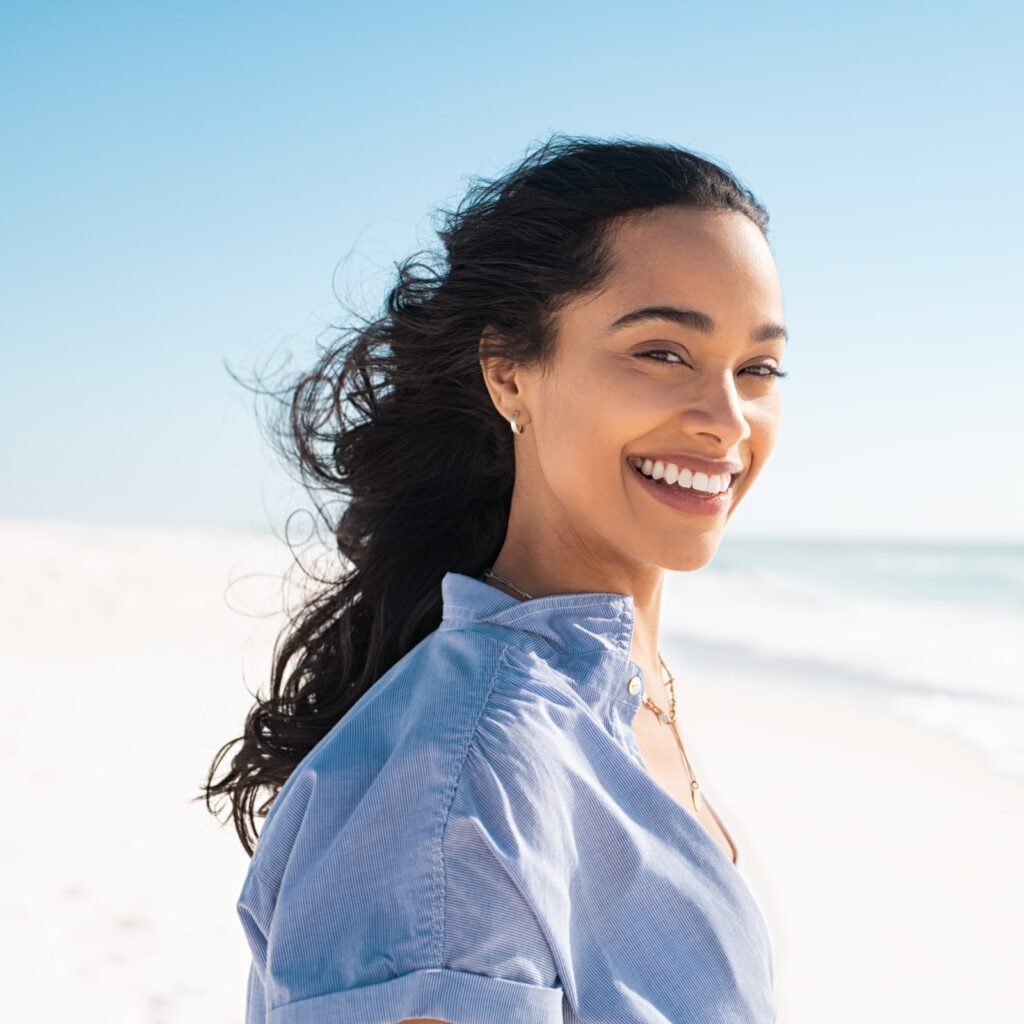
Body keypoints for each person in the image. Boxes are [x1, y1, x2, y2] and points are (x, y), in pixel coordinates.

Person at [203, 132, 788, 1023]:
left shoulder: (620, 688)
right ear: (510, 373)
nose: (726, 419)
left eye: (758, 369)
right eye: (662, 352)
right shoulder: (459, 787)